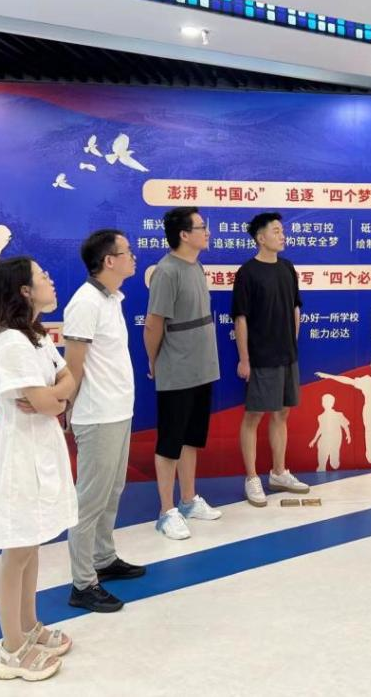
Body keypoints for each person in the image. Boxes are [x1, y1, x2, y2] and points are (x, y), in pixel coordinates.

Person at [0, 256, 77, 682]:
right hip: (19, 452)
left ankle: (29, 625)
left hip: (40, 445)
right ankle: (11, 649)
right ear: (24, 290)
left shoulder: (34, 335)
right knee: (17, 549)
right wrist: (56, 398)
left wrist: (56, 396)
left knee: (32, 543)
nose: (50, 280)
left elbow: (69, 379)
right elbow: (45, 402)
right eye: (42, 276)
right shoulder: (10, 343)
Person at [62, 229, 145, 613]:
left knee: (112, 491)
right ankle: (83, 583)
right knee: (90, 499)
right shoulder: (85, 303)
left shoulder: (112, 299)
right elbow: (74, 365)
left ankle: (103, 558)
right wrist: (68, 407)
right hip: (97, 414)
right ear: (109, 261)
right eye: (127, 252)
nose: (133, 257)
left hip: (117, 410)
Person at [144, 207, 222, 540]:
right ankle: (166, 511)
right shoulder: (166, 272)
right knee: (170, 442)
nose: (208, 232)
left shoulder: (196, 266)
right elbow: (153, 324)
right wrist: (154, 361)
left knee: (191, 438)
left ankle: (188, 500)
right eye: (202, 227)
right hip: (176, 369)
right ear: (184, 235)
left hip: (202, 367)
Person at [231, 211, 310, 506]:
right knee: (253, 415)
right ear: (260, 238)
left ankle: (278, 472)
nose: (282, 235)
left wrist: (292, 342)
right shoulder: (247, 272)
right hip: (261, 357)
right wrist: (244, 359)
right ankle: (251, 477)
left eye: (282, 230)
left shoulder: (287, 268)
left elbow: (295, 307)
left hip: (288, 355)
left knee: (282, 413)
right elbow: (240, 318)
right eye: (276, 231)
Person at [308, 393, 351, 472]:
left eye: (328, 402)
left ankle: (334, 459)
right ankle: (321, 466)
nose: (326, 403)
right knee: (322, 453)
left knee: (334, 464)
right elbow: (320, 429)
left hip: (335, 439)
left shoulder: (338, 415)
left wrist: (348, 435)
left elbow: (345, 425)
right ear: (322, 403)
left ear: (332, 403)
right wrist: (314, 440)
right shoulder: (320, 417)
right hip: (323, 439)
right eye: (324, 401)